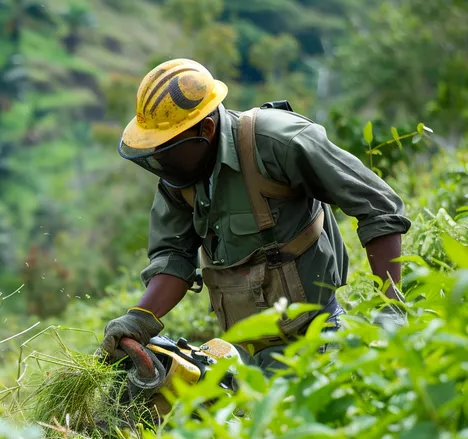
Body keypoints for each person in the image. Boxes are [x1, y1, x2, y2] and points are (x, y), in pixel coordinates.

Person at [99, 58, 411, 373]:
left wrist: (391, 307)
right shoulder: (180, 179)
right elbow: (173, 257)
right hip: (247, 356)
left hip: (319, 339)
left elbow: (377, 205)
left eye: (169, 149)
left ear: (206, 129)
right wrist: (139, 318)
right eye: (157, 152)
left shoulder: (277, 141)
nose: (163, 161)